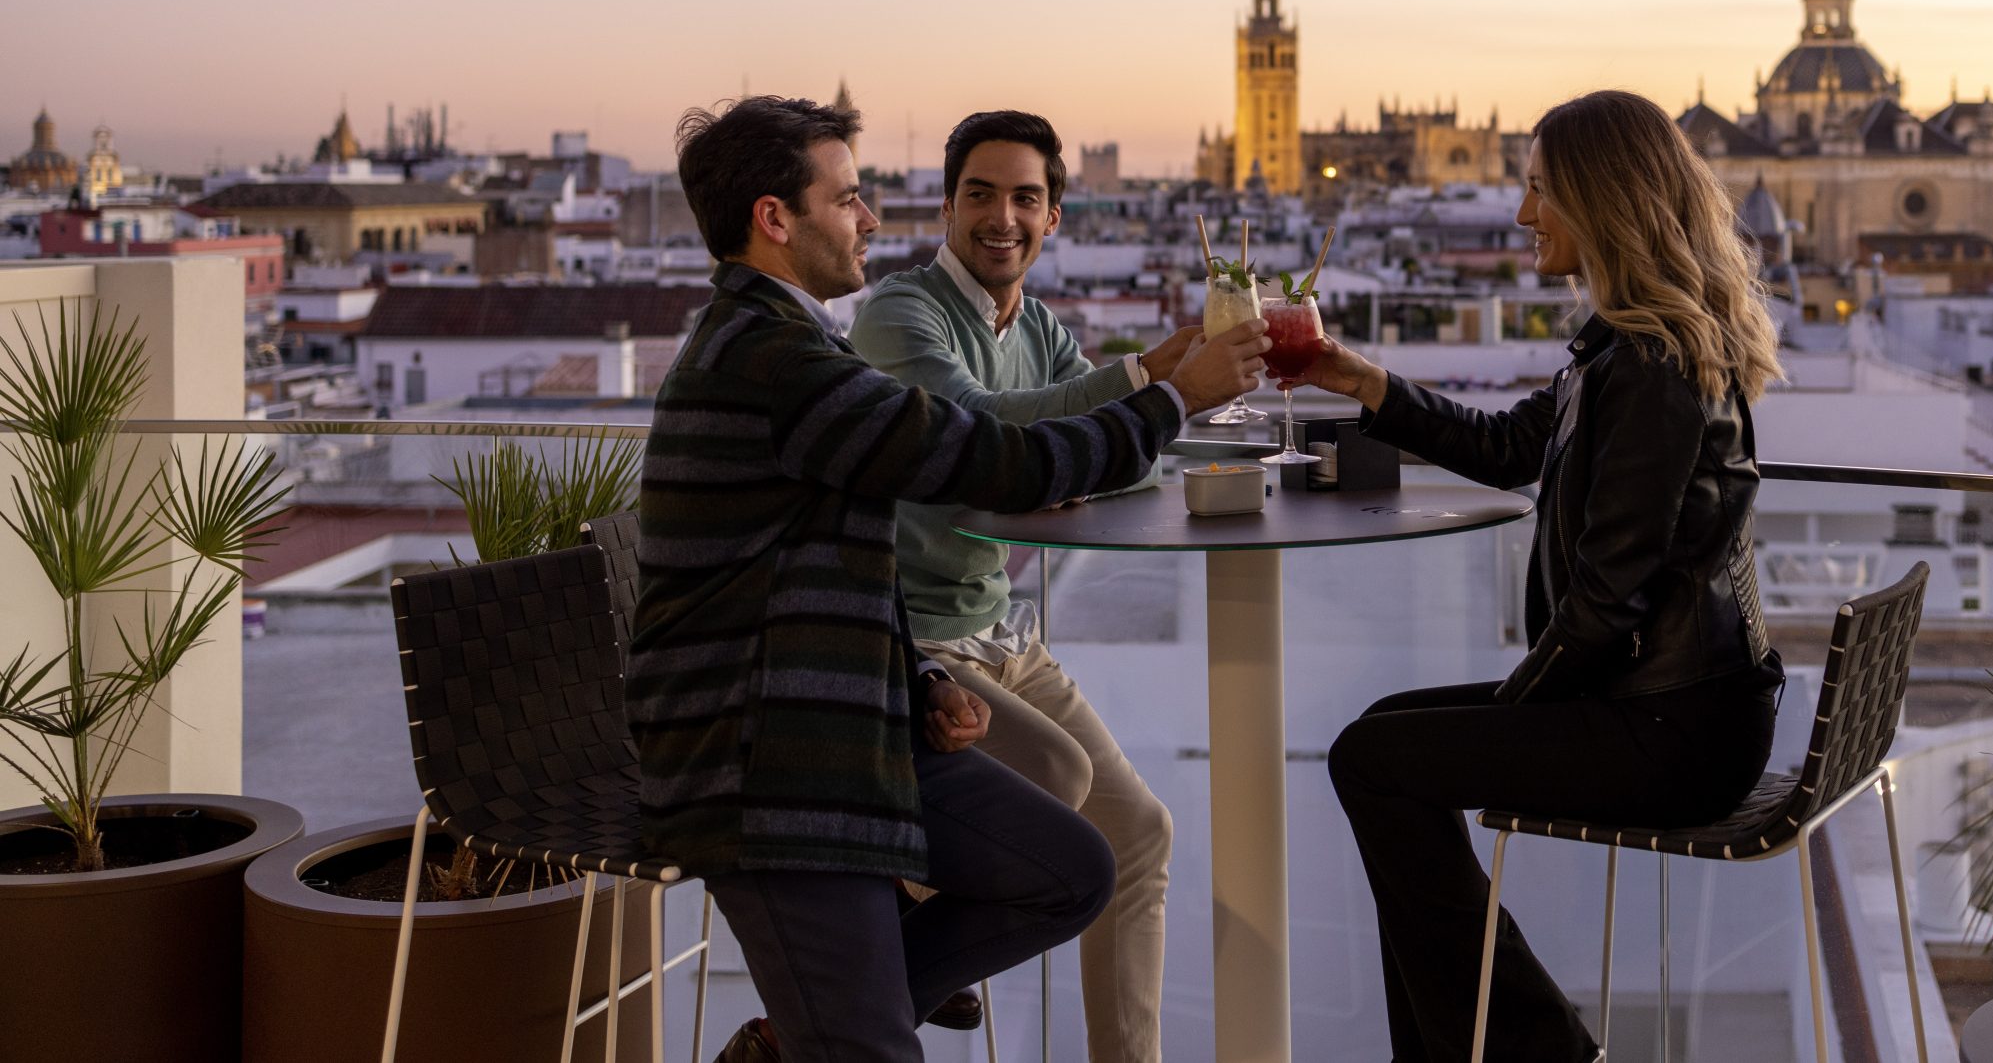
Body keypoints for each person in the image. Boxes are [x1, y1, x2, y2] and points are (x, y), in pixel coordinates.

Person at [627, 96, 1267, 1063]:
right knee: (879, 1050)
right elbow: (997, 460)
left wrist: (921, 684)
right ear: (775, 218)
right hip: (766, 762)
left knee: (1076, 867)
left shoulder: (789, 347)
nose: (870, 220)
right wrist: (1174, 394)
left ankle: (817, 1028)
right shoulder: (777, 362)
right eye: (847, 200)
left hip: (842, 715)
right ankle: (837, 1028)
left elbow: (823, 570)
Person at [1283, 89, 1788, 1063]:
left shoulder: (1651, 362)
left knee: (1372, 762)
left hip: (1672, 727)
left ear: (1601, 200)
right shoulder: (1623, 345)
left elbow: (1606, 599)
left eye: (1538, 191)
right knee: (1381, 739)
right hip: (1670, 699)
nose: (1522, 215)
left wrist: (1514, 715)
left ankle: (1536, 1049)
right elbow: (1512, 446)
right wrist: (1358, 378)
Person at [851, 110, 1186, 1063]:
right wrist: (1145, 382)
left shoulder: (1036, 325)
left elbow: (1117, 455)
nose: (1003, 217)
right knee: (1063, 781)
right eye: (981, 195)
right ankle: (895, 931)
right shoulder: (899, 313)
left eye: (1025, 198)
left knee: (1140, 835)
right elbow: (984, 431)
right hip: (914, 642)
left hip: (1001, 634)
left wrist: (1080, 447)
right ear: (947, 206)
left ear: (1055, 218)